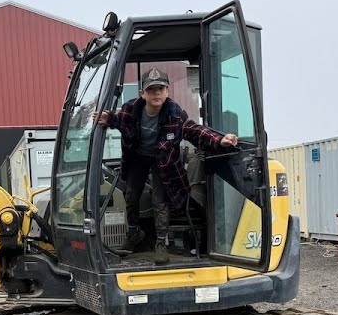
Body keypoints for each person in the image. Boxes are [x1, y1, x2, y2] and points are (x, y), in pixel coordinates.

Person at [97, 67, 238, 264]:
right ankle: (134, 233)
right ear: (142, 94)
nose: (156, 93)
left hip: (162, 161)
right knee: (130, 194)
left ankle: (161, 244)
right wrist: (107, 119)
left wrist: (220, 139)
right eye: (151, 89)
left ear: (167, 92)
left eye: (160, 89)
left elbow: (194, 131)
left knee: (159, 199)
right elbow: (118, 119)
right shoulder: (131, 109)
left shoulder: (175, 114)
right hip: (138, 156)